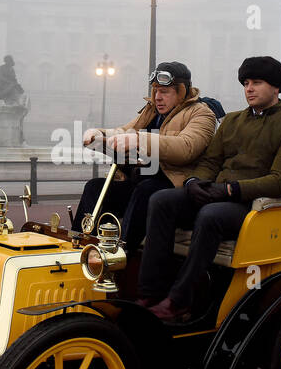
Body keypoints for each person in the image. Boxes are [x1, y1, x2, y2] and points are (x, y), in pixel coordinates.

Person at [137, 56, 281, 322]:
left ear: (276, 88)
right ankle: (150, 292)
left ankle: (179, 301)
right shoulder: (232, 121)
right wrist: (194, 183)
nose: (249, 88)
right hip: (217, 194)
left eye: (257, 83)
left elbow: (280, 181)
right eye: (246, 83)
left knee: (211, 216)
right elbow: (210, 161)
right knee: (162, 200)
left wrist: (231, 190)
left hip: (251, 206)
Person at [73, 61, 215, 249]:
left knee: (145, 190)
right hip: (144, 180)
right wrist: (100, 135)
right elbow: (125, 131)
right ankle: (80, 244)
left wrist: (140, 140)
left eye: (164, 92)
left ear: (181, 92)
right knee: (95, 187)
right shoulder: (151, 111)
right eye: (155, 91)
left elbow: (186, 148)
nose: (157, 97)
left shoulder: (202, 114)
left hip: (175, 184)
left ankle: (120, 252)